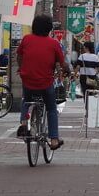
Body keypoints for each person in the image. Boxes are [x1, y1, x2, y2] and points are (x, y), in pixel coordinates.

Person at [16, 14, 70, 150]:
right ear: (49, 28)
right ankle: (54, 139)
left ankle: (23, 124)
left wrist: (21, 68)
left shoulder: (26, 39)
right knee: (51, 108)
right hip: (45, 83)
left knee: (26, 100)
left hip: (28, 80)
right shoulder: (54, 43)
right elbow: (62, 63)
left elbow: (19, 56)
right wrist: (67, 71)